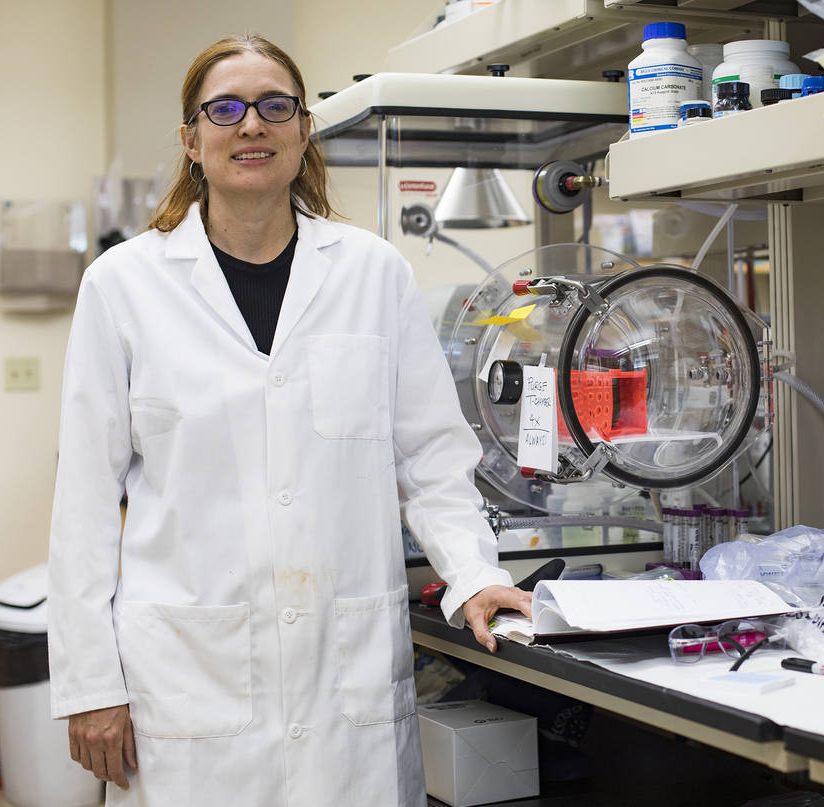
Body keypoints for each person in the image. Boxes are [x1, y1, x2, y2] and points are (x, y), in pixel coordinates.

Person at [47, 34, 532, 806]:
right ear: (191, 139)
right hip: (186, 685)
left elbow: (433, 462)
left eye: (276, 106)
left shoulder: (376, 275)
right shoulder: (123, 286)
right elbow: (82, 503)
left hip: (346, 694)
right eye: (226, 108)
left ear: (304, 131)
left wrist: (475, 575)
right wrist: (87, 682)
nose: (251, 125)